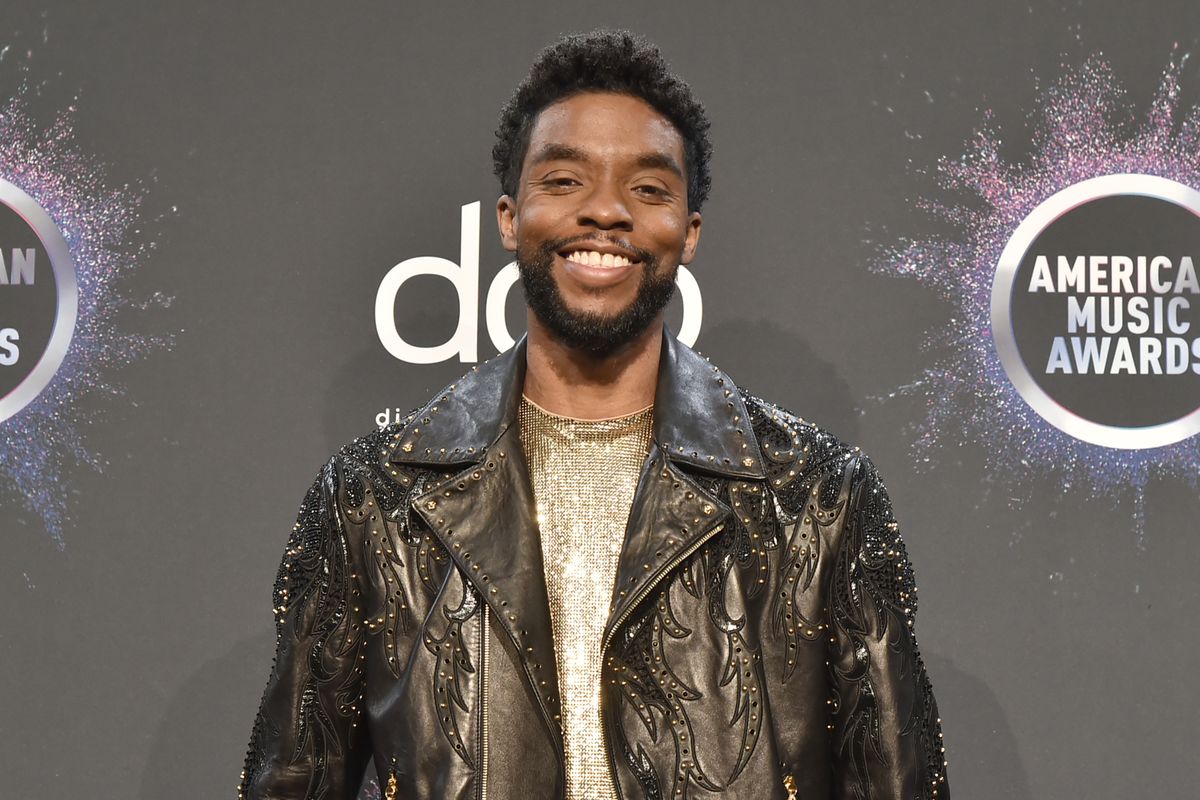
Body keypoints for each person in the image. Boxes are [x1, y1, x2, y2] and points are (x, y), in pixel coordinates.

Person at [239, 29, 949, 800]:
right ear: (509, 219)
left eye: (648, 189)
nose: (607, 211)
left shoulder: (818, 497)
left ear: (689, 232)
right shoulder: (371, 498)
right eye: (565, 180)